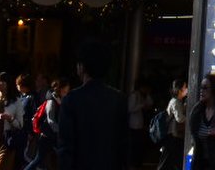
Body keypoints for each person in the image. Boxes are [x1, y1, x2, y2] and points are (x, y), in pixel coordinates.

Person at [58, 41, 128, 170]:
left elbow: (66, 147)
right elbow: (123, 145)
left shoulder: (71, 100)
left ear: (82, 67)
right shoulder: (119, 99)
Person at [158, 80, 189, 170]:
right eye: (185, 87)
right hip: (172, 135)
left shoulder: (178, 101)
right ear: (180, 90)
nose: (187, 89)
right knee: (166, 161)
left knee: (172, 160)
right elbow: (180, 118)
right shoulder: (175, 102)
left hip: (174, 135)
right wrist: (191, 119)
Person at [126, 82, 153, 169]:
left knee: (139, 145)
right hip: (134, 125)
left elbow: (150, 103)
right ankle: (132, 164)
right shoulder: (134, 95)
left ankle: (136, 163)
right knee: (135, 146)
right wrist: (141, 106)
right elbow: (130, 108)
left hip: (139, 124)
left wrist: (147, 95)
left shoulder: (142, 96)